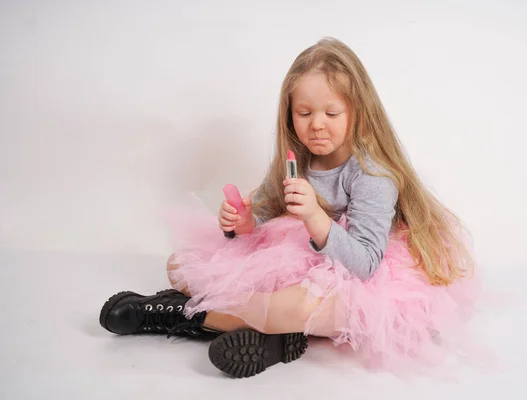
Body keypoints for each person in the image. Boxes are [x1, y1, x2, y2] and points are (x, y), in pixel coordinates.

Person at [99, 37, 480, 379]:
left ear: (358, 112)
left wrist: (315, 217)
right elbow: (264, 209)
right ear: (289, 114)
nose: (317, 125)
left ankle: (181, 315)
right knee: (179, 265)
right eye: (304, 113)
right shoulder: (295, 158)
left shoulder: (372, 176)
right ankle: (272, 336)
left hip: (357, 276)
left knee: (297, 307)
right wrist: (243, 223)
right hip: (292, 262)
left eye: (332, 114)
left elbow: (365, 263)